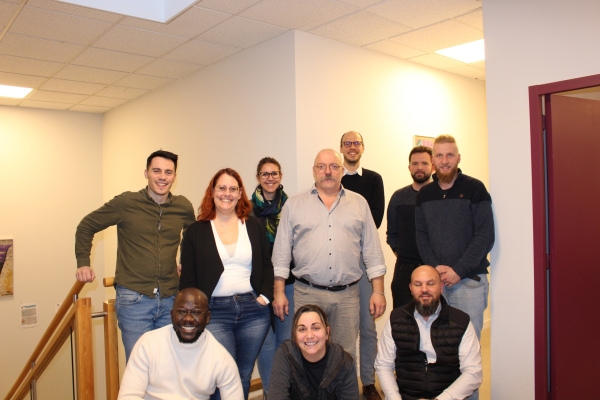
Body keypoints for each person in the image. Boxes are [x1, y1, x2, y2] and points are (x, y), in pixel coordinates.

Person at [75, 150, 195, 361]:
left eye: (168, 172)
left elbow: (192, 236)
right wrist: (83, 263)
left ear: (175, 176)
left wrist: (185, 260)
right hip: (134, 300)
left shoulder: (183, 206)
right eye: (156, 171)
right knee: (141, 367)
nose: (162, 177)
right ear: (146, 173)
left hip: (169, 298)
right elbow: (86, 226)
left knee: (170, 365)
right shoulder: (126, 203)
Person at [272, 149, 387, 362]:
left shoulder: (359, 203)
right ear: (314, 171)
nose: (328, 172)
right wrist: (279, 292)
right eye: (322, 167)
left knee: (344, 357)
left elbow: (373, 251)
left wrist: (378, 292)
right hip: (308, 293)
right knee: (307, 354)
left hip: (348, 296)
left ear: (342, 171)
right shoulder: (294, 205)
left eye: (334, 166)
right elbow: (281, 254)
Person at [179, 168, 273, 400]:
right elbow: (188, 280)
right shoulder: (195, 231)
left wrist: (265, 298)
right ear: (212, 192)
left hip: (253, 311)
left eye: (233, 189)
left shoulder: (253, 225)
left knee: (242, 374)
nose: (227, 194)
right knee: (221, 374)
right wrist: (197, 312)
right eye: (222, 188)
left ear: (240, 193)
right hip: (214, 312)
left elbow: (266, 265)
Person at [415, 134, 494, 342]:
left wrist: (458, 270)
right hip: (435, 283)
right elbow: (421, 236)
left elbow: (485, 235)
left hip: (469, 282)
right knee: (439, 344)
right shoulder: (424, 195)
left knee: (468, 345)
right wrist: (435, 268)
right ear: (433, 161)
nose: (444, 161)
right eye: (439, 156)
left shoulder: (475, 189)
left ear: (458, 158)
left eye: (449, 155)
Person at [374, 266, 482, 400]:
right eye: (418, 284)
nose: (424, 289)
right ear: (411, 288)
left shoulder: (461, 321)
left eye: (430, 284)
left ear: (441, 287)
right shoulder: (395, 319)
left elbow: (473, 372)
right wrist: (394, 397)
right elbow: (384, 365)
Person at [117, 288, 244, 400]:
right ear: (172, 315)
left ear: (208, 318)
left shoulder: (221, 358)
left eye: (196, 312)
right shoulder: (148, 344)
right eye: (182, 312)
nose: (188, 319)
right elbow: (128, 396)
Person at [339, 130, 385, 400]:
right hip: (340, 261)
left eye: (356, 143)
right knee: (344, 328)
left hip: (364, 261)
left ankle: (368, 381)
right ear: (341, 148)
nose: (352, 147)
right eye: (348, 143)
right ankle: (345, 382)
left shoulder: (373, 179)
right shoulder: (335, 177)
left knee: (367, 326)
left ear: (363, 148)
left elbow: (375, 220)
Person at [251, 157, 293, 396]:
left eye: (274, 173)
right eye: (265, 174)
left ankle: (284, 391)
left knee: (285, 343)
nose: (270, 178)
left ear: (280, 176)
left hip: (287, 282)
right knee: (265, 344)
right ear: (258, 177)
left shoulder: (292, 206)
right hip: (257, 285)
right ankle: (271, 393)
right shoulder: (245, 208)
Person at [268, 304, 359, 399]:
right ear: (295, 336)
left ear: (327, 333)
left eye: (316, 328)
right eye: (302, 329)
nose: (309, 335)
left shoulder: (344, 362)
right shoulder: (285, 355)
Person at [386, 146, 433, 309]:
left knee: (433, 317)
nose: (419, 167)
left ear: (432, 166)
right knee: (403, 317)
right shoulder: (399, 197)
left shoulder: (440, 197)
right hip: (404, 269)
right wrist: (401, 252)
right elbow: (391, 233)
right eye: (415, 163)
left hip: (433, 267)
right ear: (409, 167)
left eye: (424, 163)